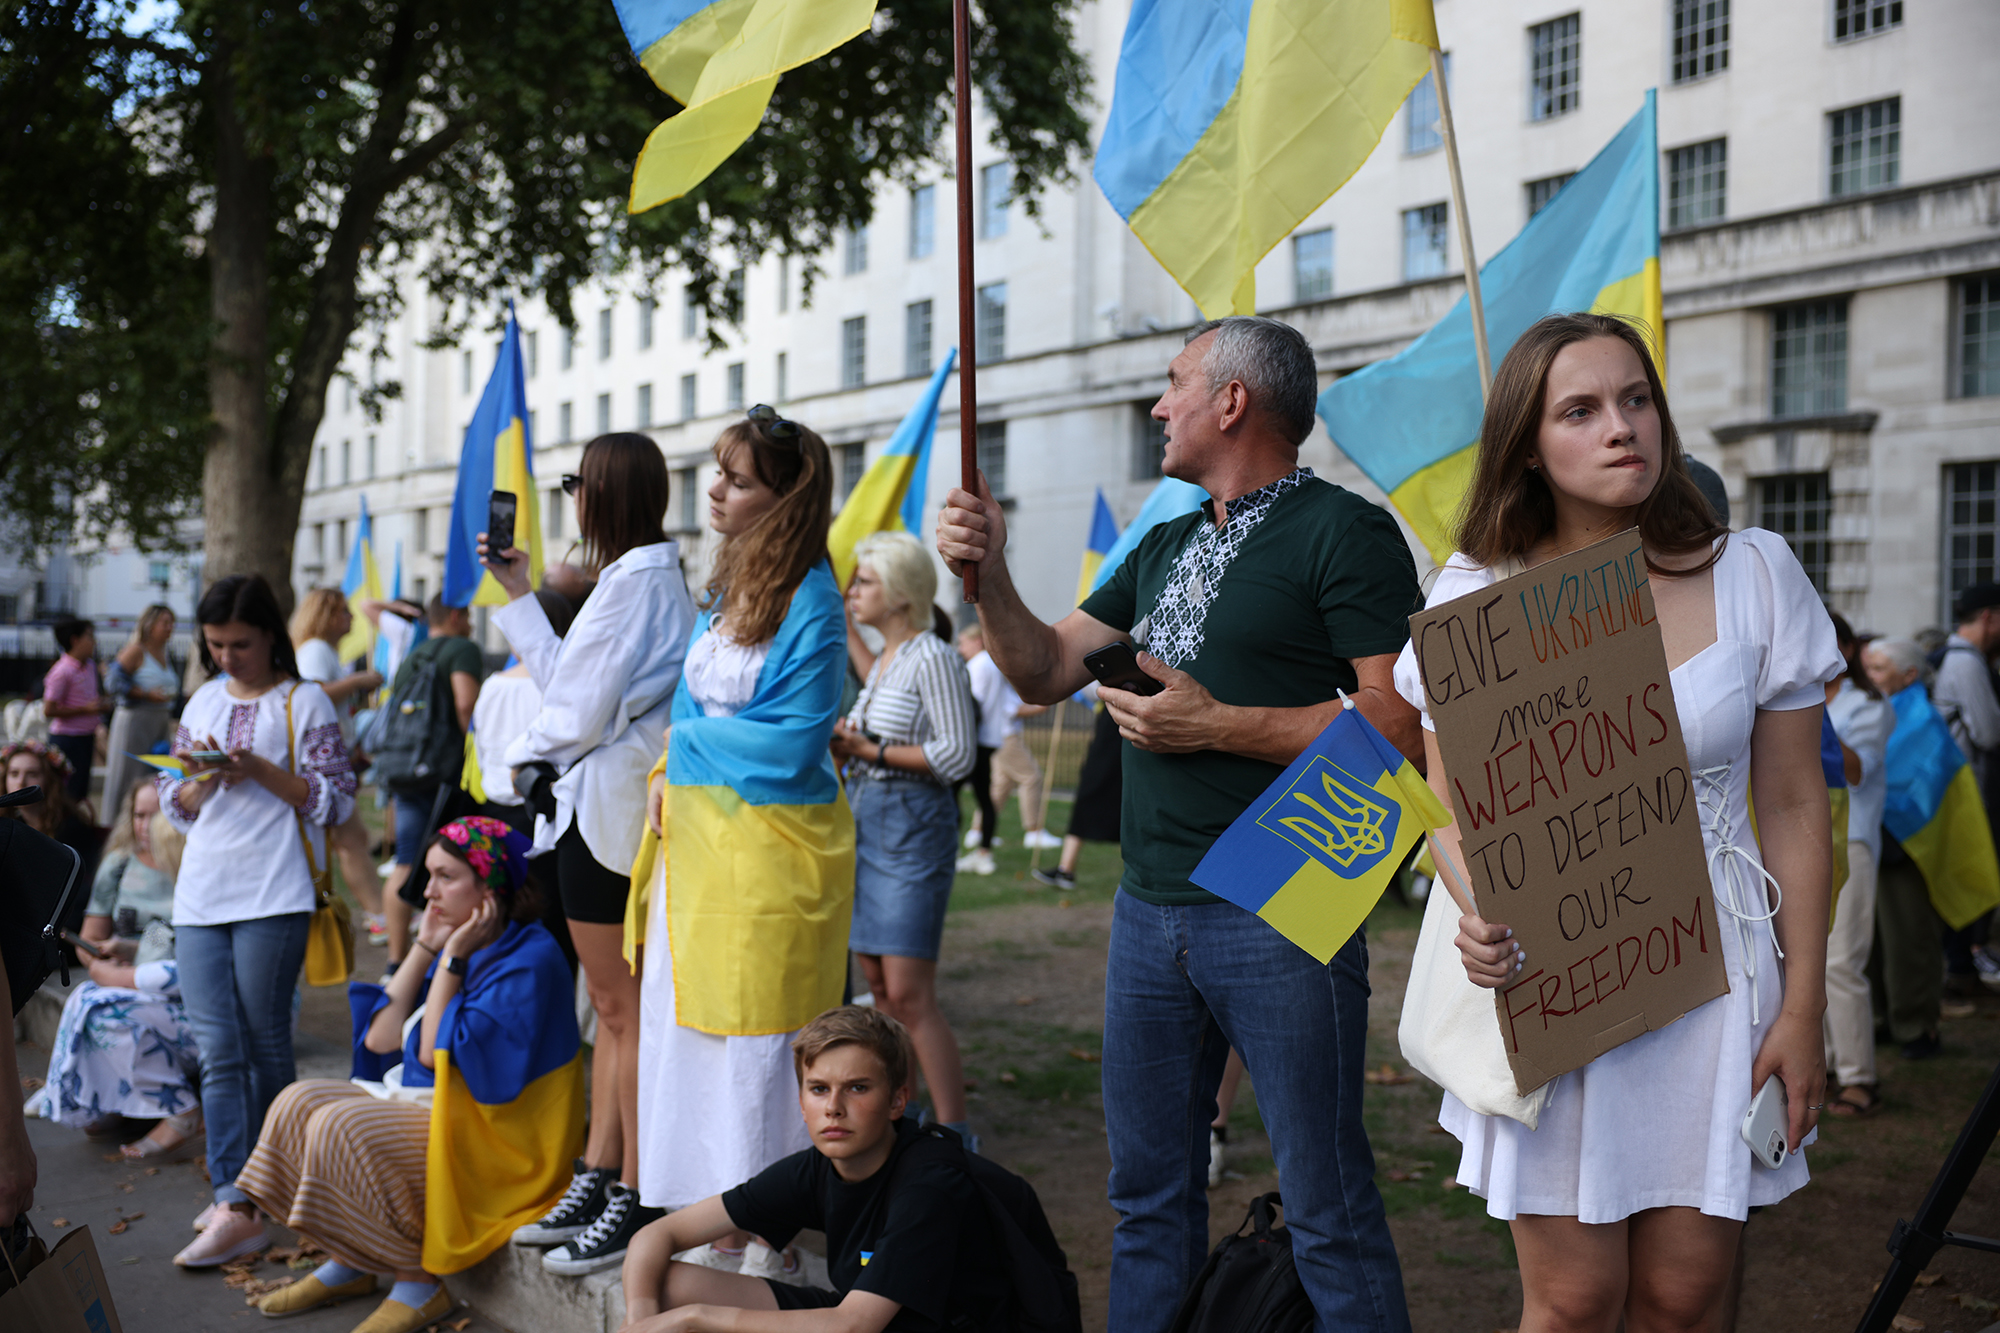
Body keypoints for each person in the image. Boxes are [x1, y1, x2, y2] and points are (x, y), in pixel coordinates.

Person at [938, 315, 1422, 1331]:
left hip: (1281, 904)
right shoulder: (1160, 538)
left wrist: (1222, 724)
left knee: (1325, 1209)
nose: (1158, 405)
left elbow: (1402, 723)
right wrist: (987, 575)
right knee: (1145, 1202)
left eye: (1172, 384)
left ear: (1231, 400)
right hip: (1146, 911)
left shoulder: (1346, 530)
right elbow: (1036, 670)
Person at [1396, 313, 1838, 1332]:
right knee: (1572, 1300)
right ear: (1527, 444)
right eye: (1580, 410)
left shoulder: (1753, 572)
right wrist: (1476, 913)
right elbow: (1448, 815)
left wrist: (1802, 1003)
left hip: (1721, 971)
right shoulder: (1478, 593)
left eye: (1634, 400)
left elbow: (1791, 802)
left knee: (1683, 1300)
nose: (1619, 427)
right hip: (1563, 970)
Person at [615, 403, 854, 1280]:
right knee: (695, 1038)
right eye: (717, 471)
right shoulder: (723, 590)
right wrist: (659, 777)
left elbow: (793, 743)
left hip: (770, 864)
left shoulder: (815, 604)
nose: (714, 488)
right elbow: (685, 710)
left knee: (758, 1042)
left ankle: (770, 1233)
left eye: (737, 478)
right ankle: (713, 1219)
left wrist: (680, 756)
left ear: (783, 498)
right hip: (700, 860)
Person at [482, 433, 697, 1276]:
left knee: (621, 1009)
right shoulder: (638, 578)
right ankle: (607, 1171)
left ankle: (632, 1190)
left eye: (576, 483)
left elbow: (570, 712)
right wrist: (518, 593)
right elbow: (572, 685)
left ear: (600, 493)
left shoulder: (635, 582)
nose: (570, 495)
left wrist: (512, 763)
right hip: (600, 807)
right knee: (613, 1008)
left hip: (606, 811)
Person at [239, 816, 583, 1333]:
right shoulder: (458, 939)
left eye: (445, 876)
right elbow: (380, 1040)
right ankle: (352, 1259)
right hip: (440, 1111)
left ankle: (419, 1282)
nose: (426, 891)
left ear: (489, 886)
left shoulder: (530, 958)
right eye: (429, 875)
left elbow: (427, 1051)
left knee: (341, 1128)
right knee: (297, 1102)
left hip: (501, 1147)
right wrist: (426, 946)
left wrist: (453, 958)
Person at [157, 572, 358, 1267]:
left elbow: (335, 800)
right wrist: (199, 778)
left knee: (267, 1044)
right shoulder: (204, 695)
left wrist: (259, 768)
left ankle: (274, 1187)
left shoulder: (305, 701)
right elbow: (171, 802)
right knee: (217, 1049)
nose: (226, 657)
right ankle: (233, 1196)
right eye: (214, 644)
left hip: (276, 893)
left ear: (271, 634)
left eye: (239, 643)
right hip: (202, 894)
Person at [621, 1006, 1019, 1333]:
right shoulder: (818, 1167)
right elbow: (658, 1234)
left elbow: (853, 1326)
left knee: (693, 1312)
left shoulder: (928, 1186)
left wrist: (696, 1319)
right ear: (801, 1101)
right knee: (671, 1286)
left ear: (898, 1102)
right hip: (871, 1317)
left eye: (857, 1087)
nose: (834, 1107)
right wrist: (640, 1319)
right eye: (819, 1088)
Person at [831, 532, 978, 1145]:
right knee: (883, 989)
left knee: (911, 996)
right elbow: (868, 674)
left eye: (863, 581)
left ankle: (954, 1134)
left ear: (898, 592)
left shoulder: (933, 656)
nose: (851, 591)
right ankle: (906, 1118)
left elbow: (958, 754)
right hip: (871, 821)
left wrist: (871, 749)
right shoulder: (890, 658)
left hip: (911, 825)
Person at [32, 784, 203, 1158]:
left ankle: (180, 1109)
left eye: (156, 814)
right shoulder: (121, 863)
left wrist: (114, 977)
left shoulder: (199, 867)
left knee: (101, 1008)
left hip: (190, 999)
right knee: (93, 1000)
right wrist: (114, 959)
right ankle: (111, 1100)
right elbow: (93, 939)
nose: (145, 825)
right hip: (141, 980)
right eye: (138, 815)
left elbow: (196, 962)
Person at [380, 596, 483, 972]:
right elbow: (465, 704)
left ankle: (395, 959)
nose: (471, 623)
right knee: (450, 867)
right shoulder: (462, 649)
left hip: (405, 770)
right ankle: (443, 954)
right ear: (456, 615)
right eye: (468, 615)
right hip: (444, 774)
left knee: (406, 861)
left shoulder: (413, 656)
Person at [1862, 637, 1946, 1062]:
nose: (1870, 675)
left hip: (1905, 844)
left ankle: (1916, 1025)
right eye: (1868, 667)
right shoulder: (1880, 709)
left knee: (1907, 938)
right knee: (1873, 936)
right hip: (1873, 836)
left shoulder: (1923, 718)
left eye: (1879, 668)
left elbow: (1926, 782)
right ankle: (1881, 1019)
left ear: (1909, 674)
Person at [292, 588, 390, 945]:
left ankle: (376, 913)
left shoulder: (319, 649)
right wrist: (357, 682)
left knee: (350, 840)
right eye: (344, 612)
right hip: (325, 764)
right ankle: (378, 915)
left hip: (332, 758)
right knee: (352, 840)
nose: (351, 618)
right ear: (328, 616)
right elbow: (314, 694)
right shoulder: (316, 650)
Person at [1825, 614, 1893, 1118]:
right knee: (1802, 961)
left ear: (1846, 649)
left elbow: (1855, 770)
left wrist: (1809, 715)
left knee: (1842, 963)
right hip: (1805, 844)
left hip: (1852, 842)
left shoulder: (1868, 704)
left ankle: (1858, 1078)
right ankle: (1823, 1063)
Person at [1929, 582, 2000, 992]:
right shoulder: (1967, 663)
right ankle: (1961, 967)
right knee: (1968, 873)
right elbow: (1989, 733)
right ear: (1988, 617)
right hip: (1965, 786)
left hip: (1956, 785)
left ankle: (1962, 963)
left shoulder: (1955, 658)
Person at [957, 623, 1053, 876]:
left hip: (989, 736)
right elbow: (992, 706)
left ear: (977, 641)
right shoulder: (983, 666)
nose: (960, 648)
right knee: (1029, 777)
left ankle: (979, 837)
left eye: (963, 642)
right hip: (993, 736)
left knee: (997, 787)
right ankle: (1032, 831)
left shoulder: (981, 665)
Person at [1032, 683, 1121, 893]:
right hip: (1112, 722)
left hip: (1122, 727)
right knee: (1089, 791)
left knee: (1113, 795)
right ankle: (1066, 869)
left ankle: (1067, 869)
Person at [101, 604, 179, 827]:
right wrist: (146, 694)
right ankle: (117, 826)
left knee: (151, 775)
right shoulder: (136, 650)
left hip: (159, 721)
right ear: (150, 625)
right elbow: (112, 682)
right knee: (128, 776)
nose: (170, 628)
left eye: (172, 623)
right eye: (165, 623)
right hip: (135, 721)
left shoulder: (165, 653)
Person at [2, 741, 100, 884]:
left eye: (32, 774)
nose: (21, 782)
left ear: (49, 780)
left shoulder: (71, 827)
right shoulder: (7, 823)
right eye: (14, 773)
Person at [44, 616, 111, 805]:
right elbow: (49, 709)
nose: (94, 642)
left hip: (85, 736)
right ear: (75, 640)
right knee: (65, 794)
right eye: (89, 637)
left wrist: (100, 704)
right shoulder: (62, 671)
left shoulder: (89, 666)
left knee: (80, 792)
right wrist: (85, 709)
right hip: (67, 739)